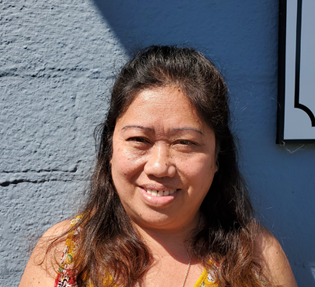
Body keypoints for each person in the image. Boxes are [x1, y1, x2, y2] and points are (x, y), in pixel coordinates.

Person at [19, 45, 297, 287]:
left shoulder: (256, 257)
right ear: (110, 150)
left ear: (217, 157)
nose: (160, 167)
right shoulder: (63, 254)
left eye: (185, 143)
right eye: (139, 139)